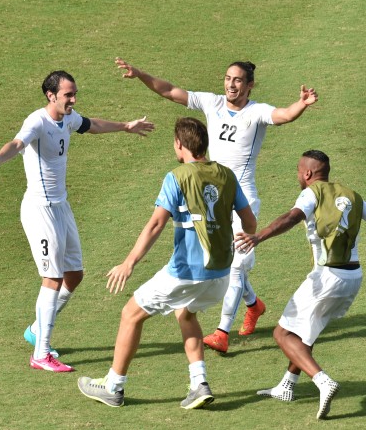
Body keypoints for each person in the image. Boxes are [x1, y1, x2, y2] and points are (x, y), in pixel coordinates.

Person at [113, 57, 318, 353]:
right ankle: (253, 304)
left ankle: (222, 331)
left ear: (249, 85)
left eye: (237, 80)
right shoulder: (212, 103)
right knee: (218, 257)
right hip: (206, 193)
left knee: (234, 265)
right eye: (227, 78)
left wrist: (302, 104)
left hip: (239, 197)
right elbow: (170, 91)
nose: (230, 85)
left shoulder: (256, 112)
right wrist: (140, 73)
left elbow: (284, 115)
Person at [235, 150, 366, 419]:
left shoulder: (310, 194)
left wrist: (259, 236)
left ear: (308, 174)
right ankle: (287, 386)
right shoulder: (352, 195)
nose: (298, 176)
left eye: (298, 171)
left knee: (282, 334)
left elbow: (290, 217)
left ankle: (323, 381)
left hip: (326, 277)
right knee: (306, 333)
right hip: (352, 278)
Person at [77, 117, 256, 408]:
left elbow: (155, 225)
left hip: (186, 272)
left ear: (179, 144)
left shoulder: (177, 177)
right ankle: (199, 383)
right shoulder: (227, 175)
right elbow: (249, 222)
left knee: (131, 314)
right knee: (185, 314)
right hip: (221, 275)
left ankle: (113, 386)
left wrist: (129, 263)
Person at [0, 70, 155, 372]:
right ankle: (41, 354)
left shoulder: (68, 117)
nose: (74, 99)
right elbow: (17, 143)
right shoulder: (37, 121)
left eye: (74, 93)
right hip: (40, 210)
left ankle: (37, 329)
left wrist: (126, 126)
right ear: (51, 95)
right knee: (52, 278)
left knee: (74, 274)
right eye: (68, 95)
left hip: (61, 207)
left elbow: (91, 125)